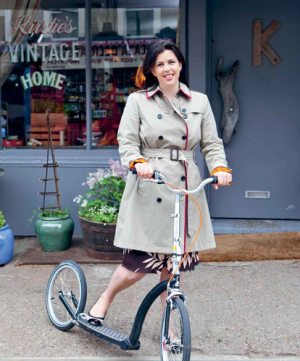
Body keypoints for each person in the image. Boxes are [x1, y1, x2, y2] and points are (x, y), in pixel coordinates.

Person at [85, 40, 232, 326]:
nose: (167, 68)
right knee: (137, 266)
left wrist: (220, 167)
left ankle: (170, 327)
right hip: (150, 182)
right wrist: (138, 163)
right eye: (160, 63)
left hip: (185, 182)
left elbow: (212, 144)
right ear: (152, 69)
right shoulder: (139, 100)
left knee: (173, 267)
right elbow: (126, 142)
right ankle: (105, 298)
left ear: (180, 65)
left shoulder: (199, 101)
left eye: (171, 62)